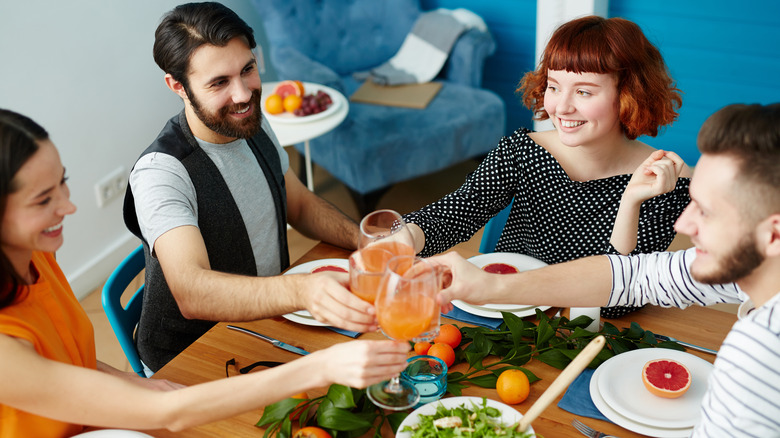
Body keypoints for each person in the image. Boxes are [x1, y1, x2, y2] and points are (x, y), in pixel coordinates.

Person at [0, 108, 409, 437]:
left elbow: (69, 364)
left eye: (63, 184)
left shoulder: (34, 257)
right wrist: (320, 367)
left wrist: (143, 387)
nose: (68, 207)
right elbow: (170, 413)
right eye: (42, 200)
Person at [430, 103, 780, 437]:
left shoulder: (759, 352)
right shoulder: (751, 271)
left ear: (773, 234)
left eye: (706, 211)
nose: (686, 225)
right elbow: (630, 276)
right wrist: (487, 286)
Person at [123, 2, 375, 372]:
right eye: (219, 83)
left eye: (247, 69)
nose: (242, 94)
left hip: (265, 321)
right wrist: (302, 290)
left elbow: (299, 204)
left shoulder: (248, 122)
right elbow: (192, 291)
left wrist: (367, 242)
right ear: (178, 86)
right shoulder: (162, 173)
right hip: (190, 355)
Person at [402, 16, 692, 318]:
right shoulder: (525, 150)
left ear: (629, 96)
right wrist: (406, 236)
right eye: (554, 87)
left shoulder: (664, 180)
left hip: (591, 332)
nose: (561, 107)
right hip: (505, 313)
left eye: (584, 91)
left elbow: (618, 302)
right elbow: (459, 211)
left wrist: (630, 203)